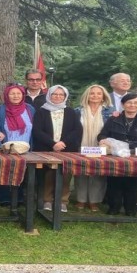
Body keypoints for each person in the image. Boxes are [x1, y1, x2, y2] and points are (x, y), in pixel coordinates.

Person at [98, 93, 137, 216]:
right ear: (123, 104)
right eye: (129, 102)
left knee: (133, 182)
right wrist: (103, 140)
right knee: (114, 181)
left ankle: (130, 209)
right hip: (116, 156)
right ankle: (114, 207)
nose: (132, 105)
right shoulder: (113, 119)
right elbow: (102, 135)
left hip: (136, 155)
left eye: (136, 103)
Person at [32, 85, 82, 213]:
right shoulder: (41, 111)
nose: (58, 97)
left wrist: (63, 143)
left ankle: (63, 201)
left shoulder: (71, 112)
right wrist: (53, 144)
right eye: (55, 94)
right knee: (47, 174)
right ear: (49, 95)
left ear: (65, 97)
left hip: (67, 148)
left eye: (61, 95)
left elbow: (77, 130)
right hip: (46, 148)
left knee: (65, 175)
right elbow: (37, 130)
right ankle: (47, 200)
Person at [74, 84, 115, 212]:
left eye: (99, 93)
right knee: (80, 172)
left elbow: (112, 131)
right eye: (92, 93)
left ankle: (94, 201)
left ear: (103, 96)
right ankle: (81, 199)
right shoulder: (77, 111)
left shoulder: (110, 112)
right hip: (82, 145)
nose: (95, 96)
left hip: (101, 147)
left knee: (98, 173)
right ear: (87, 95)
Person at [0, 83, 35, 206]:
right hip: (6, 148)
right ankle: (4, 197)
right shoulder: (1, 110)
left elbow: (35, 128)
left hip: (25, 147)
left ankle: (20, 197)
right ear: (7, 95)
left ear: (23, 95)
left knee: (23, 171)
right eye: (12, 93)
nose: (16, 96)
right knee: (5, 170)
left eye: (18, 93)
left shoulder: (30, 109)